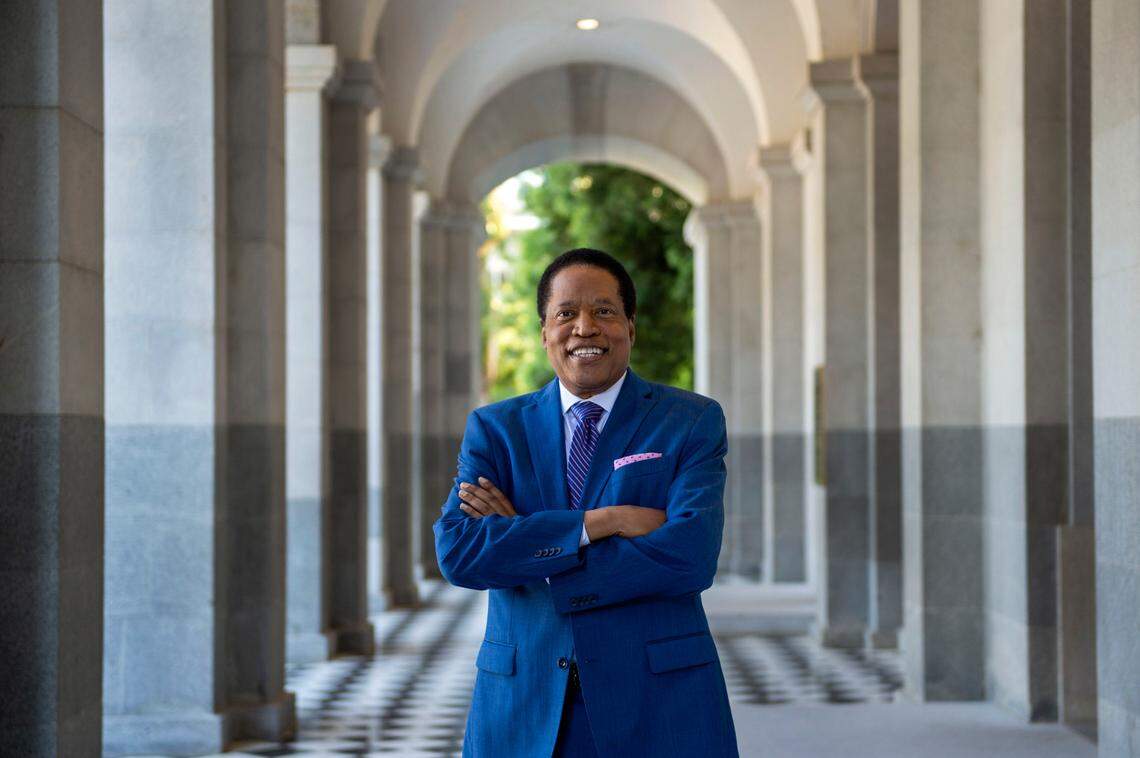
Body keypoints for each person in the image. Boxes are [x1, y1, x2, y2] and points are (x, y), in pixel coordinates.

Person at [433, 248, 739, 757]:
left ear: (630, 327)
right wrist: (601, 523)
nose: (585, 328)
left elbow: (690, 555)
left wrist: (530, 546)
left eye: (604, 311)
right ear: (544, 331)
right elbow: (460, 553)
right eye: (566, 313)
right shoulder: (495, 429)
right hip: (525, 702)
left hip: (658, 699)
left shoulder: (690, 421)